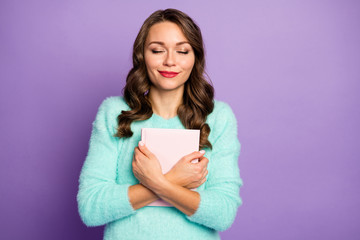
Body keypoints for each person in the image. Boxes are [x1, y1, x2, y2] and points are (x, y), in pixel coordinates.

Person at [77, 8, 243, 240]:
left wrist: (158, 182)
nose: (170, 61)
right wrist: (174, 179)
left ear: (195, 58)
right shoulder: (114, 112)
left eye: (182, 51)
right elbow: (91, 208)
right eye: (157, 50)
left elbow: (223, 213)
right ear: (141, 55)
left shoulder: (218, 117)